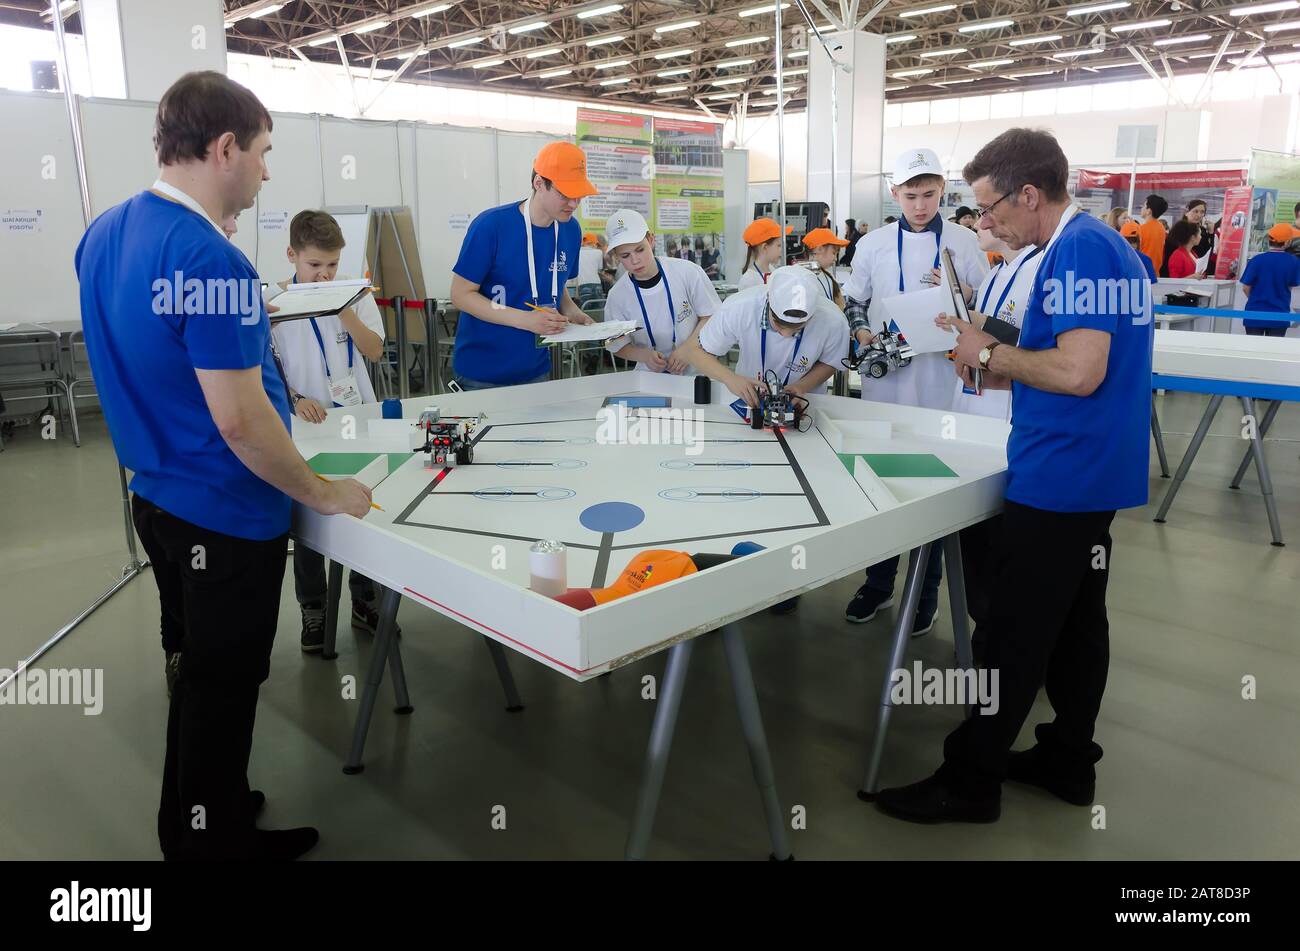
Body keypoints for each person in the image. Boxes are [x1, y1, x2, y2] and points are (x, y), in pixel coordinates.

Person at [76, 70, 373, 860]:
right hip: (224, 510)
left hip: (156, 499)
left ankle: (206, 812)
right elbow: (242, 423)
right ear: (225, 147)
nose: (268, 170)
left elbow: (146, 352)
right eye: (265, 152)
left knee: (199, 673)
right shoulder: (214, 263)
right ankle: (210, 844)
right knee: (224, 683)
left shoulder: (104, 232)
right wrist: (320, 490)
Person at [874, 127, 1153, 824]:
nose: (985, 221)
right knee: (1075, 624)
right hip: (1087, 468)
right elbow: (1074, 366)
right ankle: (1066, 756)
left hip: (1062, 472)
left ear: (1030, 194)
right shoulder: (1089, 246)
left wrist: (991, 352)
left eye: (991, 206)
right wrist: (994, 366)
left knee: (1012, 633)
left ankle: (970, 779)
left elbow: (1081, 371)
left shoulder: (1082, 249)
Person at [840, 146, 987, 633]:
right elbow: (855, 300)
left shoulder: (964, 242)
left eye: (928, 194)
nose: (920, 205)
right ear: (894, 193)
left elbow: (984, 306)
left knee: (935, 487)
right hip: (888, 381)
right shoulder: (874, 244)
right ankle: (878, 583)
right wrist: (862, 332)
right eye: (910, 195)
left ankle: (925, 593)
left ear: (943, 190)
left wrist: (959, 292)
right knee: (882, 481)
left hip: (942, 381)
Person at [266, 210, 391, 652]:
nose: (323, 274)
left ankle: (364, 598)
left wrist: (342, 310)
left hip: (358, 422)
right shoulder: (273, 303)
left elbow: (374, 352)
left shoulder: (354, 295)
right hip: (307, 426)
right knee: (313, 515)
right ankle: (313, 607)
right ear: (292, 255)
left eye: (332, 265)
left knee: (363, 507)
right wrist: (294, 399)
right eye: (314, 265)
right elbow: (266, 371)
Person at [449, 141, 596, 390]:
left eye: (579, 196)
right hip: (482, 373)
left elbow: (556, 286)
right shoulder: (491, 226)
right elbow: (461, 295)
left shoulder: (570, 230)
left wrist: (572, 312)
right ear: (539, 183)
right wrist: (526, 321)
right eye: (565, 195)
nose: (573, 204)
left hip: (536, 370)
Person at [683, 265, 849, 405]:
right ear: (768, 299)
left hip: (804, 403)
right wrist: (730, 378)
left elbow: (831, 361)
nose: (785, 335)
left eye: (797, 329)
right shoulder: (739, 308)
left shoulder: (833, 320)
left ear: (813, 314)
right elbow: (695, 351)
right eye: (778, 325)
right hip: (748, 400)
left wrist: (802, 386)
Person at [602, 208, 720, 373]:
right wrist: (644, 356)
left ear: (651, 240)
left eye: (640, 249)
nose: (635, 260)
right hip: (648, 378)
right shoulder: (617, 296)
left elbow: (711, 316)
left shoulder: (687, 272)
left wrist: (688, 349)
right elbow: (616, 344)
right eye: (625, 256)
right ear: (616, 256)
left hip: (695, 371)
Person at [1239, 223, 1300, 337]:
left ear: (1268, 240)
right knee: (1273, 352)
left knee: (1253, 351)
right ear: (1287, 242)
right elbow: (1291, 285)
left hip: (1254, 313)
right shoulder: (1293, 262)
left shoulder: (1256, 260)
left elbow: (1245, 287)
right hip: (1279, 314)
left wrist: (1256, 299)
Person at [802, 227, 849, 310]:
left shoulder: (828, 276)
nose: (835, 259)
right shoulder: (803, 278)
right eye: (834, 253)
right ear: (819, 249)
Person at [1160, 199, 1212, 276]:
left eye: (1202, 212)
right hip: (1175, 274)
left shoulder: (1202, 231)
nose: (1199, 215)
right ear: (1187, 212)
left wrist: (1210, 234)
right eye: (1195, 211)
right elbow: (1170, 255)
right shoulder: (1179, 230)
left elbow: (1205, 253)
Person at [737, 217, 791, 290]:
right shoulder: (748, 281)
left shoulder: (773, 271)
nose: (781, 250)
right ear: (765, 247)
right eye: (779, 245)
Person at [1137, 193, 1168, 275]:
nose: (1141, 208)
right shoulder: (1161, 228)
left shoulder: (1141, 229)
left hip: (1142, 272)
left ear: (1149, 211)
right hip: (1155, 273)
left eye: (1144, 206)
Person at [576, 232, 605, 306]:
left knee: (585, 311)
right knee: (599, 311)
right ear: (593, 243)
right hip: (596, 284)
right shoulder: (599, 252)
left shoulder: (577, 252)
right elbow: (600, 269)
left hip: (582, 285)